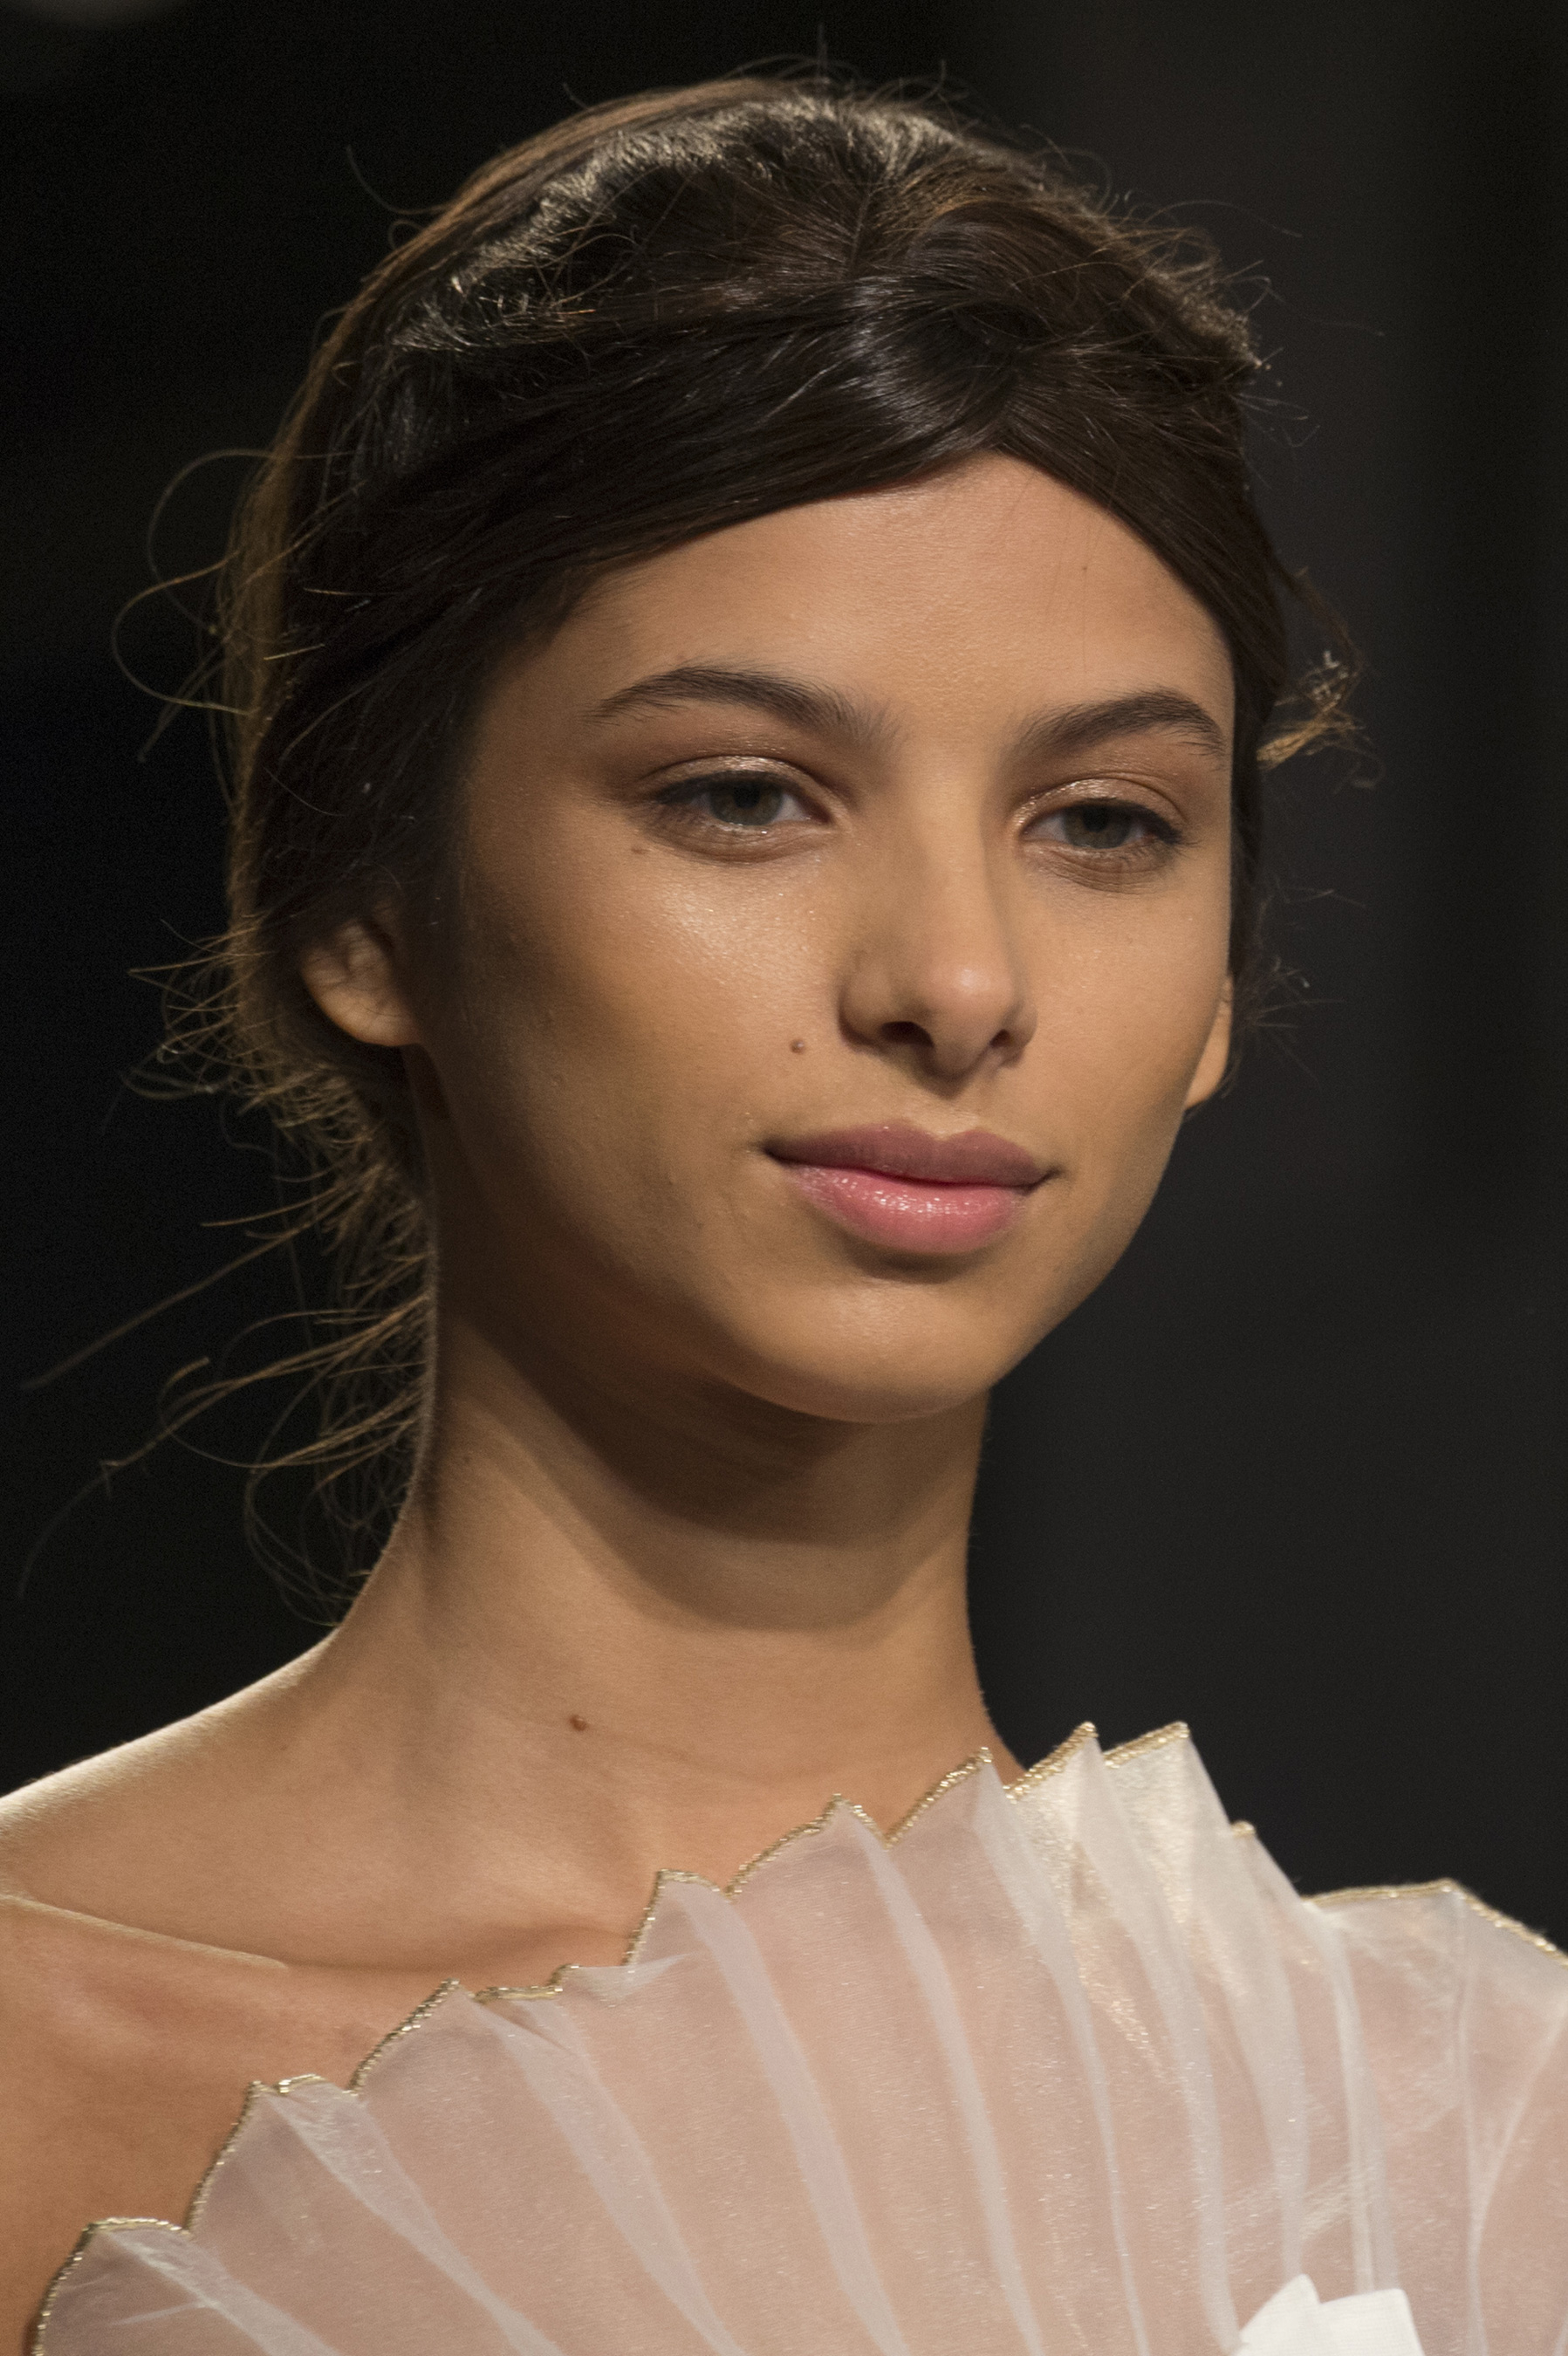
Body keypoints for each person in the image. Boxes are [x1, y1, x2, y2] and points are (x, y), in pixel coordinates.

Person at [1, 73, 1562, 2356]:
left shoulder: (1468, 2137)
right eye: (745, 794)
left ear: (1224, 983)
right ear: (361, 901)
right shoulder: (36, 2066)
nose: (957, 980)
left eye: (1105, 822)